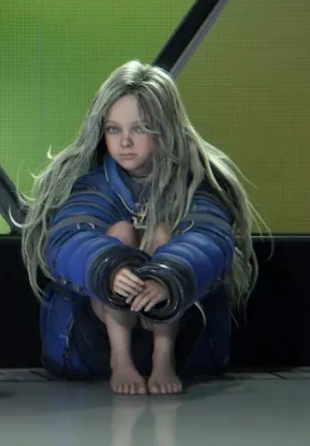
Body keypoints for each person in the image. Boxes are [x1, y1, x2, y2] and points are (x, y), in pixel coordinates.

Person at [18, 60, 266, 394]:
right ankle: (120, 359)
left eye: (140, 129)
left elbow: (209, 238)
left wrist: (169, 276)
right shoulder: (92, 186)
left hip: (180, 332)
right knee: (120, 236)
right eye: (113, 129)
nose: (125, 142)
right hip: (96, 335)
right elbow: (68, 238)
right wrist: (109, 269)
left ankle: (164, 358)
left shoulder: (194, 186)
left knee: (163, 236)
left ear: (165, 129)